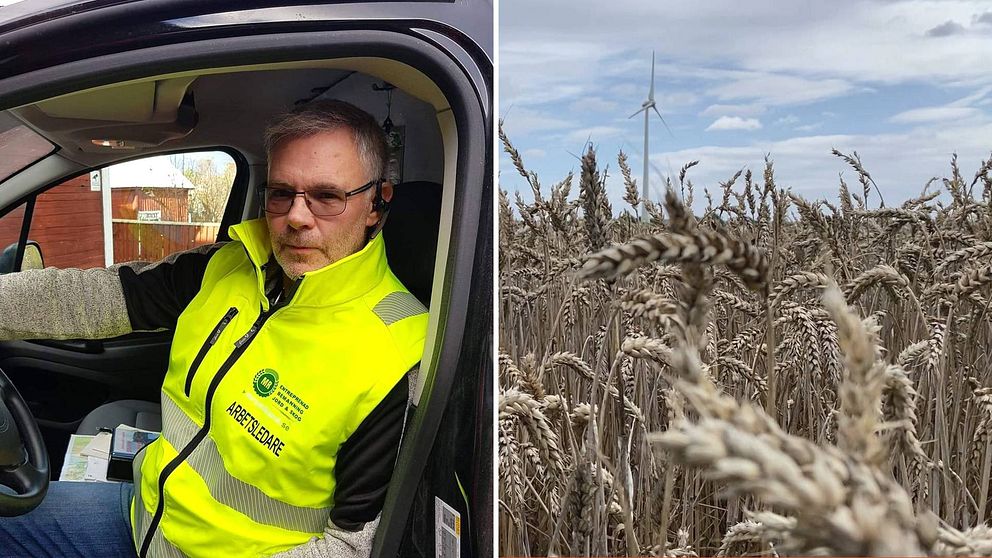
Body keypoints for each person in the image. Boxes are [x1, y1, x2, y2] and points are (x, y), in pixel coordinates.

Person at [0, 100, 428, 558]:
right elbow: (95, 297)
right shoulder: (229, 265)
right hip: (145, 516)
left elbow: (354, 545)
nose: (297, 217)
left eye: (327, 197)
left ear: (375, 204)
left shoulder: (397, 354)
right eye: (281, 193)